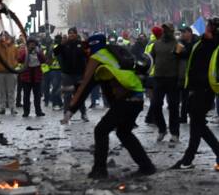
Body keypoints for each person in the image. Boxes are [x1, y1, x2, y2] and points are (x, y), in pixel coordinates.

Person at [62, 33, 156, 179]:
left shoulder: (97, 58)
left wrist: (70, 110)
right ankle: (147, 166)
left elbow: (86, 85)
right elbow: (92, 82)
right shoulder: (112, 53)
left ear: (93, 47)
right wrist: (72, 89)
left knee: (101, 131)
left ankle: (99, 170)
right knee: (124, 133)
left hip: (125, 100)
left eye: (87, 47)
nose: (85, 51)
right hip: (136, 97)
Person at [170, 17, 219, 172]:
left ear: (213, 28)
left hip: (206, 89)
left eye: (208, 26)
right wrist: (177, 43)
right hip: (194, 88)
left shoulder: (216, 45)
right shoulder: (199, 42)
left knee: (197, 123)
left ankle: (188, 158)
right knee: (197, 124)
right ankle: (187, 159)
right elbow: (180, 54)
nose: (206, 27)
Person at [150, 22, 183, 142]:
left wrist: (180, 78)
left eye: (167, 30)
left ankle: (175, 133)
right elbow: (150, 59)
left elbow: (181, 63)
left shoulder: (178, 45)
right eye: (164, 30)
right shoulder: (156, 44)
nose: (165, 32)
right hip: (158, 78)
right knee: (155, 105)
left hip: (173, 79)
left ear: (172, 31)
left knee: (173, 107)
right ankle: (162, 129)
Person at [55, 27, 89, 122]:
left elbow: (87, 56)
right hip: (67, 74)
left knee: (79, 95)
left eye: (73, 33)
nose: (71, 35)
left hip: (79, 73)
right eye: (70, 33)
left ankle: (83, 113)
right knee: (67, 96)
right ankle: (66, 114)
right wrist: (61, 44)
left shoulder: (81, 44)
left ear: (76, 34)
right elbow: (55, 52)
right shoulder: (64, 44)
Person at [18, 39, 46, 117]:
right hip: (26, 77)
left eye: (33, 44)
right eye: (30, 44)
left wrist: (38, 52)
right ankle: (26, 112)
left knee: (37, 96)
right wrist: (27, 52)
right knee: (26, 96)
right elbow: (19, 60)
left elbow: (43, 60)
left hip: (36, 76)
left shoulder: (38, 51)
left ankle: (38, 111)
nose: (32, 46)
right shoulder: (24, 51)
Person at [0, 32, 19, 115]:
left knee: (11, 91)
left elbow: (17, 58)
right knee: (1, 91)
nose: (4, 37)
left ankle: (12, 108)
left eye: (5, 36)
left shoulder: (14, 47)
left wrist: (13, 65)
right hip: (0, 71)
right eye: (2, 36)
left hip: (11, 72)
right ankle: (2, 108)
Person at [177, 27, 197, 123]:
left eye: (184, 32)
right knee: (184, 97)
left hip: (195, 74)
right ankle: (183, 116)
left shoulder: (197, 42)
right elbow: (176, 54)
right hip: (183, 73)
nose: (182, 34)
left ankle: (197, 116)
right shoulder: (180, 42)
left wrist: (184, 51)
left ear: (189, 33)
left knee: (195, 97)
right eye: (181, 33)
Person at [43, 35, 64, 110]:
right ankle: (55, 103)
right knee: (56, 87)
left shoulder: (54, 47)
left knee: (57, 87)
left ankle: (60, 103)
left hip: (56, 70)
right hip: (55, 70)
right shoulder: (55, 47)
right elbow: (53, 58)